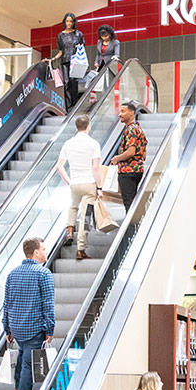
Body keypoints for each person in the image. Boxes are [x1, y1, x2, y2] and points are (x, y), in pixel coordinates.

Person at [2, 237, 55, 390]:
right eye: (44, 249)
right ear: (36, 252)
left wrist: (7, 328)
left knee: (22, 359)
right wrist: (50, 329)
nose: (46, 252)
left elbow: (7, 303)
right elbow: (48, 304)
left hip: (17, 328)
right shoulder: (43, 274)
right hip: (34, 328)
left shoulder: (12, 274)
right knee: (28, 366)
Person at [55, 115, 103, 260]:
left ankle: (70, 232)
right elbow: (95, 167)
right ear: (89, 126)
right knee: (85, 216)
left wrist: (69, 181)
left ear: (76, 127)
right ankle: (80, 249)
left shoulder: (68, 144)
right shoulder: (93, 144)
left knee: (73, 207)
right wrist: (99, 188)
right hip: (89, 184)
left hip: (75, 183)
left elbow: (59, 166)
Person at [109, 101, 147, 211]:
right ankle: (134, 226)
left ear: (131, 113)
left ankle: (130, 227)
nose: (120, 114)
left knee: (128, 202)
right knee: (133, 201)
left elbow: (131, 151)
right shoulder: (138, 129)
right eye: (119, 111)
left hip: (128, 171)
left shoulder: (130, 129)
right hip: (137, 169)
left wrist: (117, 158)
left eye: (123, 111)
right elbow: (144, 155)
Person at [50, 13, 85, 108]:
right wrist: (53, 59)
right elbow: (60, 51)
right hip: (65, 61)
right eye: (67, 21)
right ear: (64, 22)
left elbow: (82, 49)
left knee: (74, 82)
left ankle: (75, 105)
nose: (69, 23)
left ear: (74, 22)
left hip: (76, 62)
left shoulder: (78, 34)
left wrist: (79, 48)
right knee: (66, 83)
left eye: (71, 21)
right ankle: (68, 106)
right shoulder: (60, 35)